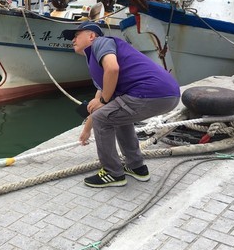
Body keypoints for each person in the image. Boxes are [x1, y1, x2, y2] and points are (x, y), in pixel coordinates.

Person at [61, 21, 180, 188]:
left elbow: (112, 69)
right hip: (167, 94)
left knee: (104, 119)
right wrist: (87, 129)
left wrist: (102, 102)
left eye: (76, 35)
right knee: (116, 116)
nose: (72, 40)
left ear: (91, 36)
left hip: (149, 92)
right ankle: (137, 167)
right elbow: (100, 103)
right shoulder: (95, 61)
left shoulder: (101, 43)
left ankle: (112, 173)